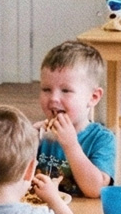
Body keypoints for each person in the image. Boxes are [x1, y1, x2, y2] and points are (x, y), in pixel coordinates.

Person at [35, 40, 114, 200]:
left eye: (66, 91)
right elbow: (10, 179)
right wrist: (24, 142)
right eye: (46, 89)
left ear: (93, 97)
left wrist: (70, 144)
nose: (54, 98)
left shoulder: (102, 139)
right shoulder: (39, 135)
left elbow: (95, 190)